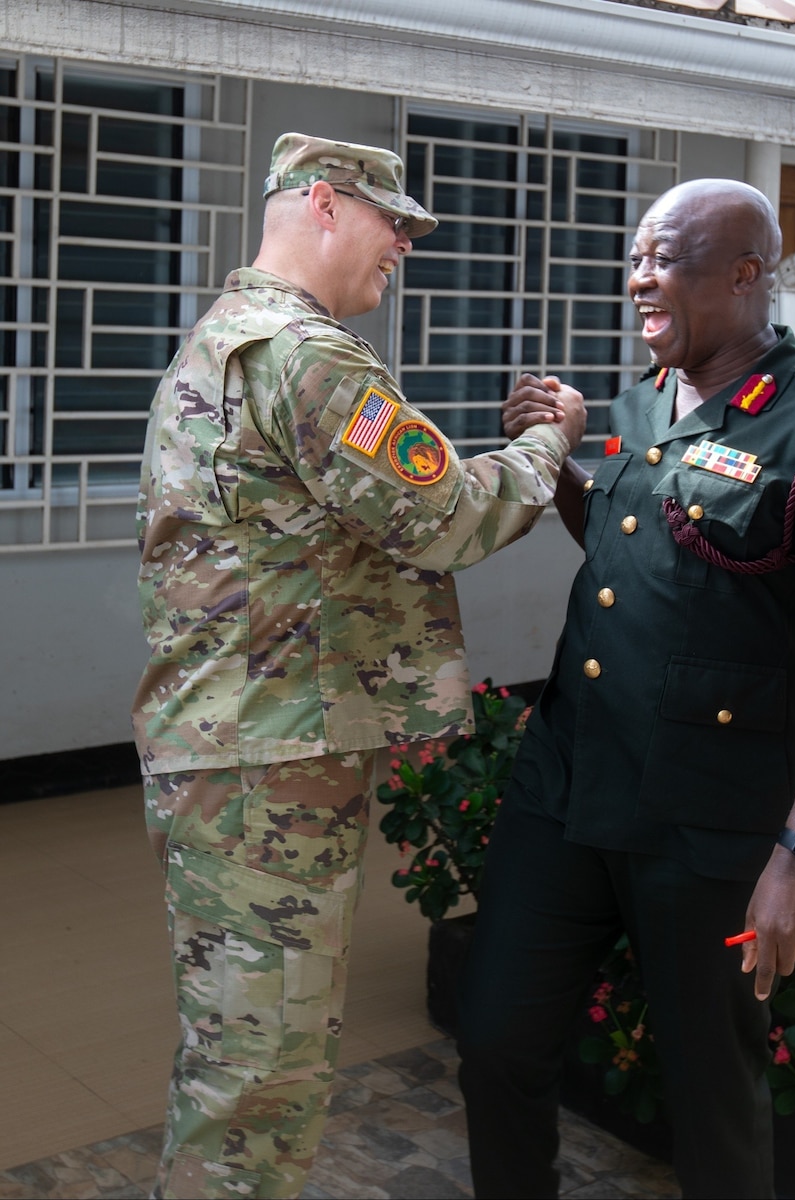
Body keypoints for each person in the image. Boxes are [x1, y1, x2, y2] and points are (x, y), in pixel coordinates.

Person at [456, 178, 795, 1199]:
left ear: (746, 275)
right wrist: (565, 466)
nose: (636, 280)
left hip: (711, 823)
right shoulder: (636, 407)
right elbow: (646, 544)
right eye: (633, 259)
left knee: (711, 1091)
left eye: (661, 259)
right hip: (569, 791)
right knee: (496, 1043)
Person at [131, 132, 585, 1200]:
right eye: (396, 223)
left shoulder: (224, 340)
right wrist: (550, 441)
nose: (406, 249)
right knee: (258, 1089)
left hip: (233, 753)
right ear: (326, 204)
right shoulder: (305, 355)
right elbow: (448, 517)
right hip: (265, 769)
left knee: (236, 1065)